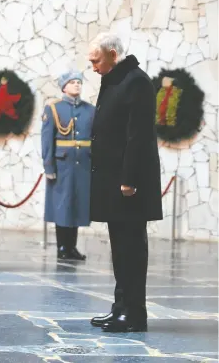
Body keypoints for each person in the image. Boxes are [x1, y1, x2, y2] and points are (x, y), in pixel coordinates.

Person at [87, 32, 163, 333]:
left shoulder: (137, 82)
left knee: (131, 249)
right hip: (114, 181)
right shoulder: (116, 79)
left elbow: (138, 135)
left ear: (113, 55)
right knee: (120, 249)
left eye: (97, 60)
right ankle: (120, 308)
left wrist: (129, 179)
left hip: (129, 184)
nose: (93, 67)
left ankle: (134, 314)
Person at [41, 69, 95, 261]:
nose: (77, 85)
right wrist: (49, 166)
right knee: (63, 206)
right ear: (64, 87)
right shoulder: (54, 109)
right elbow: (47, 140)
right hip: (62, 164)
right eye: (73, 82)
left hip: (83, 164)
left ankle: (72, 247)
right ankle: (62, 247)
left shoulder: (90, 110)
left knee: (78, 205)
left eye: (79, 82)